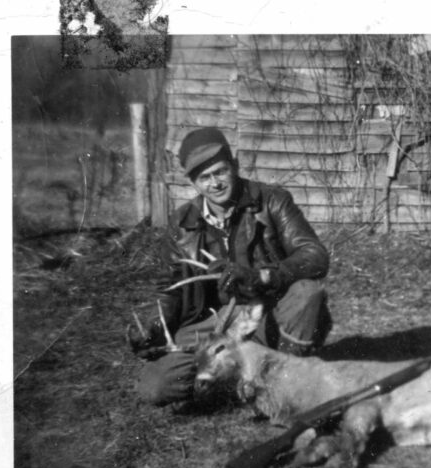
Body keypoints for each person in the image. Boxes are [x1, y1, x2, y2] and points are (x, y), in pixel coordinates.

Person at [131, 127, 331, 405]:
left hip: (267, 314)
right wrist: (153, 327)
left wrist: (261, 276)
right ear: (193, 182)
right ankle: (239, 377)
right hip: (213, 326)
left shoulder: (271, 201)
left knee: (307, 293)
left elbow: (314, 254)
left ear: (234, 166)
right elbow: (169, 291)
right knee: (155, 386)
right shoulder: (181, 223)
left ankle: (282, 382)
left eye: (220, 172)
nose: (215, 184)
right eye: (204, 178)